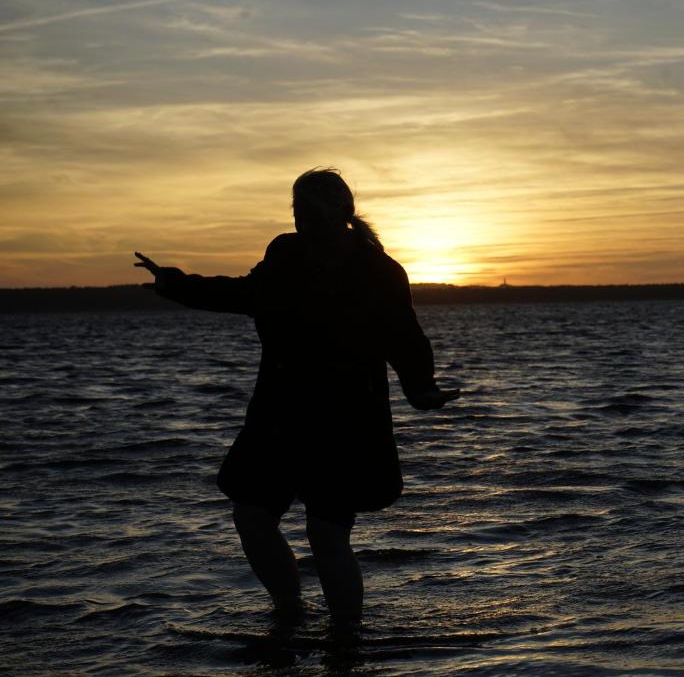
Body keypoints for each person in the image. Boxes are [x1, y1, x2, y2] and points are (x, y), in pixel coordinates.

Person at [133, 167, 459, 627]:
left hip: (346, 420)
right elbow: (245, 292)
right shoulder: (284, 254)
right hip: (278, 413)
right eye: (298, 211)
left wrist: (421, 389)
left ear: (343, 213)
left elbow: (403, 336)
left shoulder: (379, 271)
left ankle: (347, 640)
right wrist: (174, 283)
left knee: (327, 533)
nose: (305, 221)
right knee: (250, 515)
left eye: (314, 212)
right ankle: (289, 611)